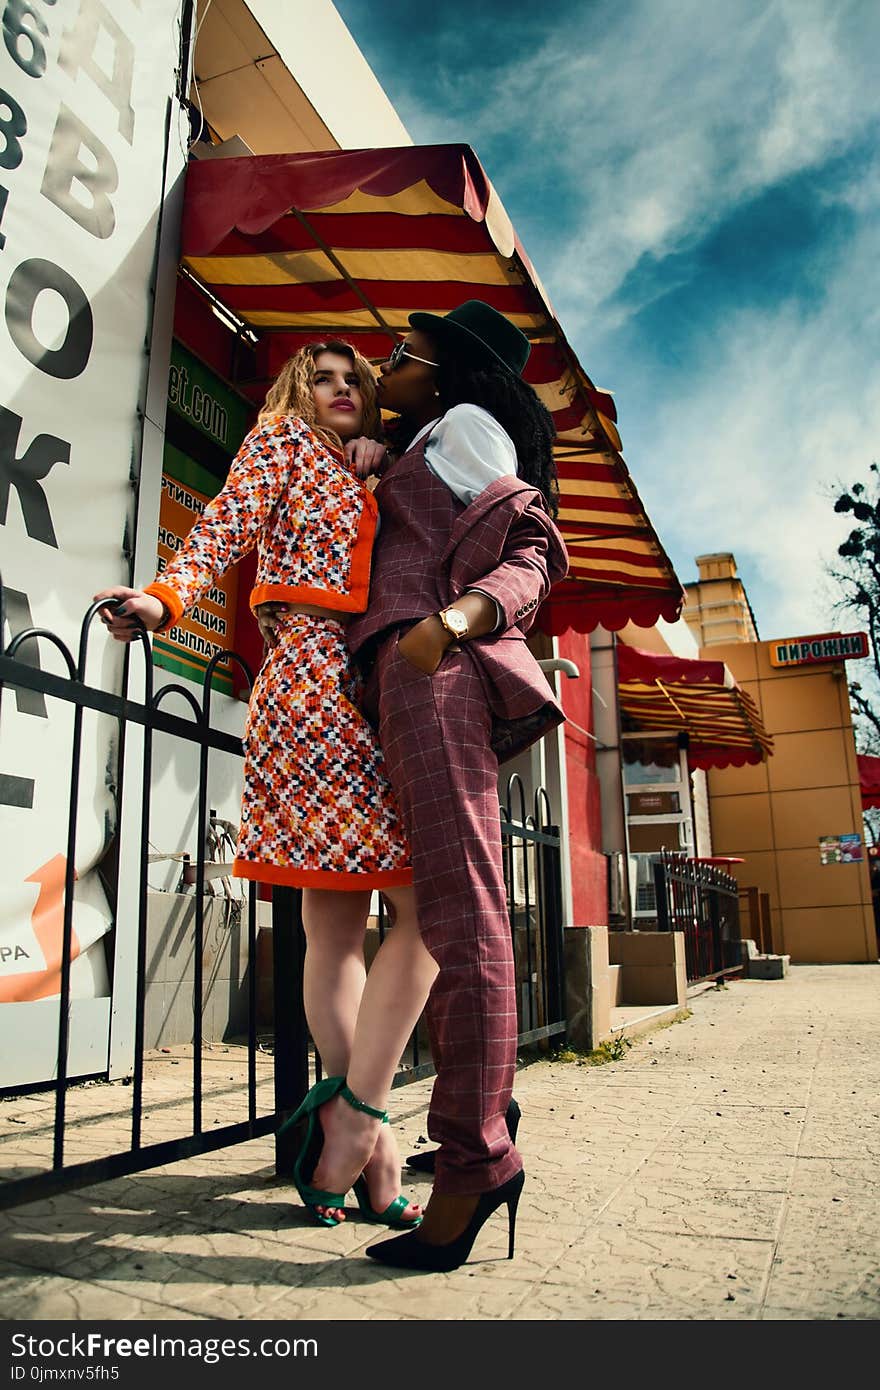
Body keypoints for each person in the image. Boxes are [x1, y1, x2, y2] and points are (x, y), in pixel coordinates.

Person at [94, 340, 439, 1230]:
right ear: (296, 390)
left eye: (352, 382)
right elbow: (222, 526)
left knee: (379, 922)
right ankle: (371, 1131)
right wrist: (165, 601)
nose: (338, 392)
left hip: (374, 679)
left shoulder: (378, 463)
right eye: (320, 379)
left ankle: (350, 1121)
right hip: (310, 680)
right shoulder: (279, 442)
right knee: (368, 919)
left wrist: (379, 464)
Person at [258, 300, 569, 1271]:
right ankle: (453, 1138)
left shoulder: (462, 428)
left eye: (403, 357)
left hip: (429, 671)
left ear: (444, 376)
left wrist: (461, 617)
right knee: (447, 913)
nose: (387, 369)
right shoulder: (411, 447)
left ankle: (476, 1157)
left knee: (461, 914)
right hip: (400, 680)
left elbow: (537, 544)